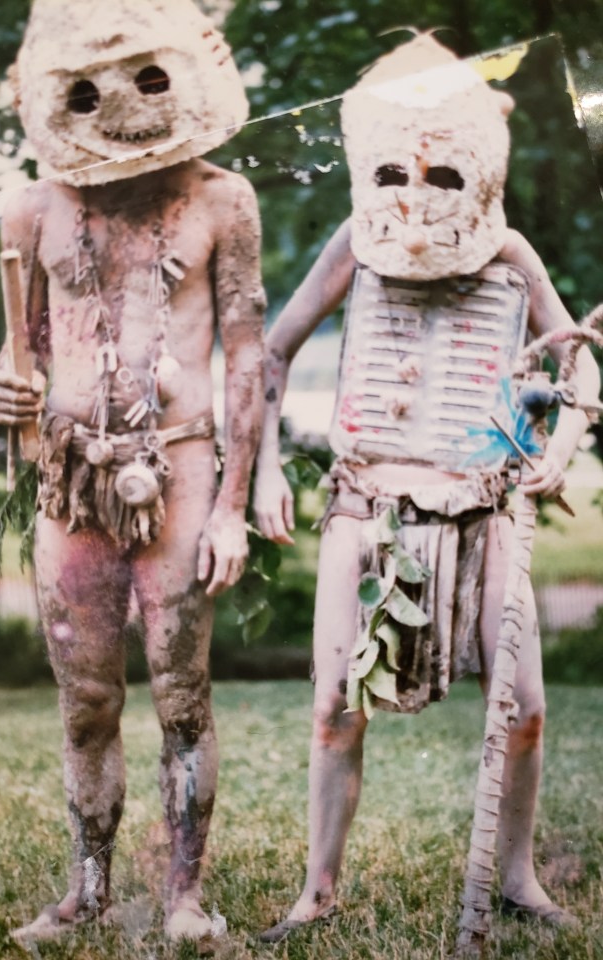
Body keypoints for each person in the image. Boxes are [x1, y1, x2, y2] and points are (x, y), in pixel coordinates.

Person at [253, 34, 600, 941]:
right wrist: (261, 474)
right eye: (395, 167)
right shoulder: (355, 245)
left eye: (439, 171)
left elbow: (577, 370)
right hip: (368, 501)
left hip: (485, 502)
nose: (414, 191)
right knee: (334, 707)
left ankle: (517, 878)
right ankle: (317, 891)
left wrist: (559, 448)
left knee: (524, 707)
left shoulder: (512, 252)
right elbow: (274, 348)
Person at [0, 0, 264, 943]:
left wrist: (232, 506)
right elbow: (18, 356)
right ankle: (87, 891)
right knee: (87, 699)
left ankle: (185, 896)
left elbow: (248, 357)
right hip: (74, 485)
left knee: (182, 692)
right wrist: (7, 398)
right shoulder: (28, 210)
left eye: (147, 75)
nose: (120, 103)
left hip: (178, 469)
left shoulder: (222, 200)